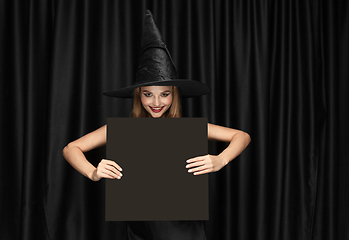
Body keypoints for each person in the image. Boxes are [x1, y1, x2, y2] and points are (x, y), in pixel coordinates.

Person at [63, 10, 250, 240]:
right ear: (138, 96)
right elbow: (70, 148)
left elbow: (241, 136)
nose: (156, 102)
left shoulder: (187, 130)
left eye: (165, 94)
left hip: (184, 231)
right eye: (148, 94)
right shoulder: (123, 131)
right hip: (139, 231)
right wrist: (93, 172)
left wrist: (221, 159)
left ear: (174, 96)